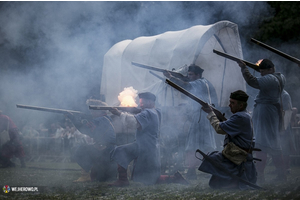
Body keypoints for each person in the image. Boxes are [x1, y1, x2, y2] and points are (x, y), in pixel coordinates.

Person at [109, 92, 188, 187]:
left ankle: (122, 180)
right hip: (150, 146)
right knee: (152, 178)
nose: (140, 105)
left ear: (150, 102)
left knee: (120, 151)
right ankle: (174, 178)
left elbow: (134, 122)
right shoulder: (156, 111)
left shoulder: (147, 112)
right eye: (140, 103)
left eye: (143, 103)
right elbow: (142, 116)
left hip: (143, 145)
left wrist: (119, 113)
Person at [163, 64, 218, 179]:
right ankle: (207, 169)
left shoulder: (199, 83)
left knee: (194, 144)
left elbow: (185, 85)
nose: (189, 76)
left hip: (201, 116)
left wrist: (171, 77)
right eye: (188, 74)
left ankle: (193, 171)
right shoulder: (205, 82)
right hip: (204, 115)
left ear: (198, 75)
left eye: (191, 74)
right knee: (205, 144)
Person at [237, 59, 286, 182]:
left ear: (271, 69)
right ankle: (281, 175)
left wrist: (244, 68)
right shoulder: (280, 77)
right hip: (270, 112)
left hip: (266, 112)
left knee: (260, 144)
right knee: (274, 144)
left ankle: (260, 176)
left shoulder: (270, 78)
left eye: (263, 71)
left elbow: (252, 81)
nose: (262, 73)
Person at [199, 90, 257, 190]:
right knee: (213, 159)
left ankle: (234, 182)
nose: (229, 105)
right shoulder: (243, 115)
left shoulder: (240, 116)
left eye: (232, 103)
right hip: (236, 154)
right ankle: (229, 181)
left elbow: (219, 129)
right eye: (230, 102)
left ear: (241, 105)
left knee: (211, 159)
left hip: (238, 157)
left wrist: (211, 113)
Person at [67, 99, 117, 182]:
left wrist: (72, 118)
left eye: (92, 110)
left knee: (80, 151)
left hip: (105, 150)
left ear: (99, 111)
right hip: (107, 150)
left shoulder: (100, 119)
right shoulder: (106, 118)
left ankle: (85, 175)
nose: (91, 112)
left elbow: (85, 129)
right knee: (101, 178)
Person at [280, 90, 296, 174]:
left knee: (285, 147)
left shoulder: (285, 95)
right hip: (280, 125)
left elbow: (288, 112)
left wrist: (284, 128)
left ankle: (286, 168)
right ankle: (281, 168)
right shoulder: (278, 94)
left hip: (284, 126)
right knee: (281, 148)